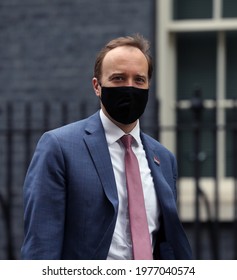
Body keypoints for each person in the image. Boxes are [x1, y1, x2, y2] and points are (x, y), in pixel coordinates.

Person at [21, 34, 192, 260]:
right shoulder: (59, 148)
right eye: (119, 78)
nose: (130, 88)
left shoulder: (163, 158)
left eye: (139, 80)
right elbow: (41, 247)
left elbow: (164, 244)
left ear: (148, 85)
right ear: (97, 86)